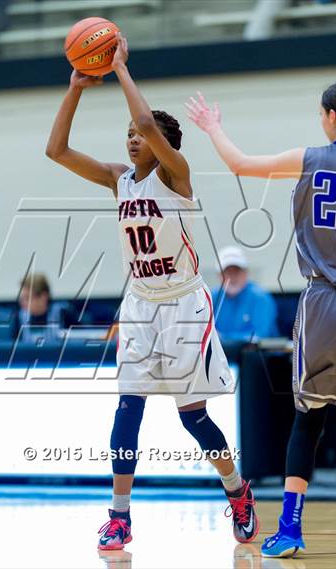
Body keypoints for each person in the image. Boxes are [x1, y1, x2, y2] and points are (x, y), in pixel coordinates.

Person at [46, 33, 259, 551]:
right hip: (141, 303)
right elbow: (56, 150)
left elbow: (145, 121)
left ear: (165, 145)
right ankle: (119, 516)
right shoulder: (120, 181)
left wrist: (120, 69)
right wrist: (75, 86)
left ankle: (237, 492)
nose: (133, 139)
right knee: (127, 410)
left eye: (143, 136)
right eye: (128, 136)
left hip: (184, 303)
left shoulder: (178, 176)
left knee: (194, 419)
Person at [186, 81, 336, 558]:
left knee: (309, 419)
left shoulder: (311, 157)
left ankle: (291, 528)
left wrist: (213, 128)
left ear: (330, 116)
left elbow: (239, 164)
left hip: (323, 302)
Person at [212, 245, 279, 341]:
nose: (232, 277)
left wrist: (223, 338)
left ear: (246, 273)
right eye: (227, 272)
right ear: (219, 276)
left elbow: (260, 336)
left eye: (236, 271)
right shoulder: (211, 298)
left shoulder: (261, 298)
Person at [14, 273, 74, 343]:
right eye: (22, 298)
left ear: (43, 297)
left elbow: (81, 340)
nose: (22, 302)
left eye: (27, 298)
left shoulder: (63, 313)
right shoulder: (20, 317)